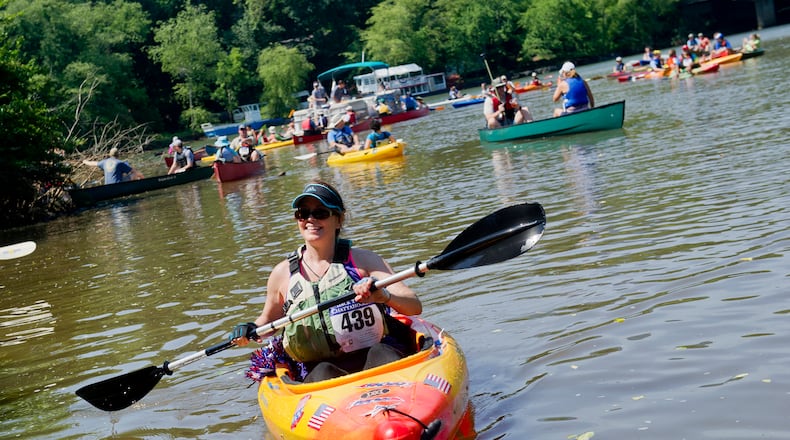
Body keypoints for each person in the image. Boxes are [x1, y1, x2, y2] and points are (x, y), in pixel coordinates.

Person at [229, 180, 422, 383]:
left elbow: (414, 305)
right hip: (317, 372)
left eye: (320, 212)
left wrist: (385, 296)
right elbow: (268, 322)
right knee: (323, 372)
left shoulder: (364, 261)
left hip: (375, 357)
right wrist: (249, 329)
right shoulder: (282, 274)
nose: (310, 219)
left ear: (338, 220)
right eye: (303, 213)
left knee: (383, 354)